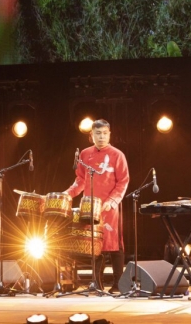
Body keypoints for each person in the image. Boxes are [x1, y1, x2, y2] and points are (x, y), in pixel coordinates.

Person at [65, 119, 130, 292]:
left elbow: (123, 181)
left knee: (114, 244)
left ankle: (118, 284)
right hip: (90, 207)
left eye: (105, 133)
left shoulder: (117, 155)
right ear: (91, 135)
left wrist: (111, 201)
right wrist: (68, 194)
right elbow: (80, 179)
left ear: (109, 134)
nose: (101, 137)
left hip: (110, 207)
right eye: (98, 133)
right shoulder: (85, 154)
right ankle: (97, 284)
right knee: (95, 244)